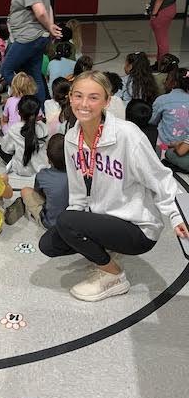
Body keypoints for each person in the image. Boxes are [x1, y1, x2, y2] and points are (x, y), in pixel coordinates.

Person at [39, 70, 188, 302]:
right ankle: (106, 248)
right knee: (49, 244)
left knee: (67, 222)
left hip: (137, 227)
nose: (84, 104)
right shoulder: (71, 138)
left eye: (93, 97)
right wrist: (78, 228)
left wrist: (177, 216)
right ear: (70, 97)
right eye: (78, 96)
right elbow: (78, 191)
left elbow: (160, 178)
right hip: (105, 216)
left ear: (107, 101)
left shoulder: (127, 134)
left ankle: (114, 276)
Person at [1, 0, 62, 105]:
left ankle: (26, 102)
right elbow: (48, 7)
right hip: (37, 36)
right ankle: (40, 110)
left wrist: (50, 26)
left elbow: (40, 11)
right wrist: (50, 26)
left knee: (6, 69)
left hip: (28, 37)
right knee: (34, 75)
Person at [8, 133, 68, 228]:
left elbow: (39, 193)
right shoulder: (79, 173)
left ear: (48, 158)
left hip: (51, 224)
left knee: (25, 191)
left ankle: (28, 208)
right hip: (73, 221)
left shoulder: (43, 175)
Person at [0, 95, 48, 178]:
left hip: (22, 169)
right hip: (41, 166)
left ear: (18, 112)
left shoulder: (14, 129)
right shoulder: (43, 128)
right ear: (37, 113)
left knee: (0, 148)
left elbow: (6, 149)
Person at [149, 67, 189, 145]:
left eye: (167, 79)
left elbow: (152, 120)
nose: (164, 82)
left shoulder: (162, 100)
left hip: (166, 144)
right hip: (186, 146)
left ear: (174, 83)